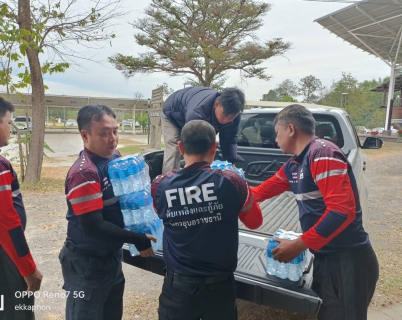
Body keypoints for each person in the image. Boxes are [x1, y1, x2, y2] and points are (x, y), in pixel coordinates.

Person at [251, 104, 379, 320]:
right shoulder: (293, 166)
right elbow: (259, 193)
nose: (275, 139)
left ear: (291, 129)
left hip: (346, 259)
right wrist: (227, 185)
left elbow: (341, 211)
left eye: (277, 133)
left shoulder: (322, 153)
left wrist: (299, 244)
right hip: (325, 258)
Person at [151, 120, 263, 320]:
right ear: (214, 147)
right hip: (220, 289)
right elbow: (255, 222)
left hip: (178, 288)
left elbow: (159, 213)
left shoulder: (160, 185)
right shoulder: (233, 181)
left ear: (180, 147)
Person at [59, 105, 156, 320]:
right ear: (85, 136)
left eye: (115, 131)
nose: (113, 139)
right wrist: (137, 239)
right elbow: (93, 226)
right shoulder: (84, 173)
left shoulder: (114, 159)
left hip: (110, 258)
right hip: (86, 264)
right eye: (104, 133)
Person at [0, 94, 42, 319]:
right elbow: (4, 220)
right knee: (11, 312)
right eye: (9, 123)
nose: (10, 129)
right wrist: (28, 268)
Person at [161, 86, 245, 173]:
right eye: (224, 115)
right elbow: (192, 144)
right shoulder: (197, 112)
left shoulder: (234, 116)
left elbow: (230, 140)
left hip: (190, 109)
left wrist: (231, 165)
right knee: (174, 149)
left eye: (231, 117)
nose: (227, 120)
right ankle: (169, 181)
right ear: (216, 104)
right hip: (172, 113)